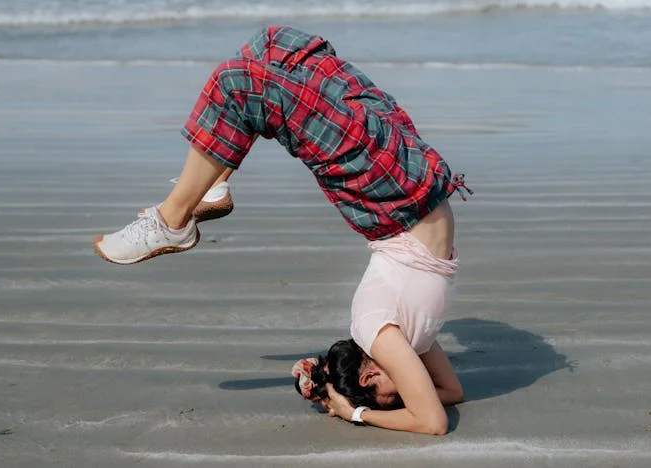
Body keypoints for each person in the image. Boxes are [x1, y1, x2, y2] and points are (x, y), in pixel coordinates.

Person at [93, 25, 471, 434]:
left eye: (388, 396)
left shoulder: (377, 331)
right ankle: (213, 185)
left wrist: (353, 411)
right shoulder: (412, 340)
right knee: (279, 46)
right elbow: (448, 396)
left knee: (240, 84)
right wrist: (342, 396)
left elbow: (429, 417)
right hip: (404, 180)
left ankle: (172, 221)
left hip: (385, 193)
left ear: (367, 377)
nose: (407, 391)